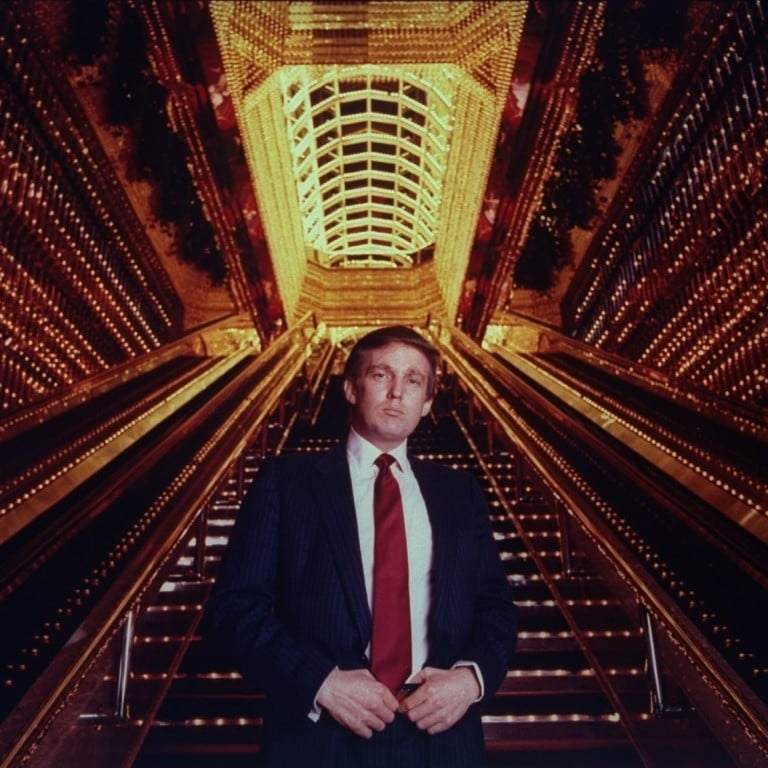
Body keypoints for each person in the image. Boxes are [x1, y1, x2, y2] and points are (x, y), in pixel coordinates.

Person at [206, 325, 518, 768]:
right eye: (381, 376)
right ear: (351, 389)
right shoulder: (285, 482)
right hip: (320, 738)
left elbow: (496, 610)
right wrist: (320, 683)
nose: (397, 392)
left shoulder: (459, 493)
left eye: (413, 381)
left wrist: (471, 680)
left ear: (428, 402)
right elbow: (233, 610)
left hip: (441, 738)